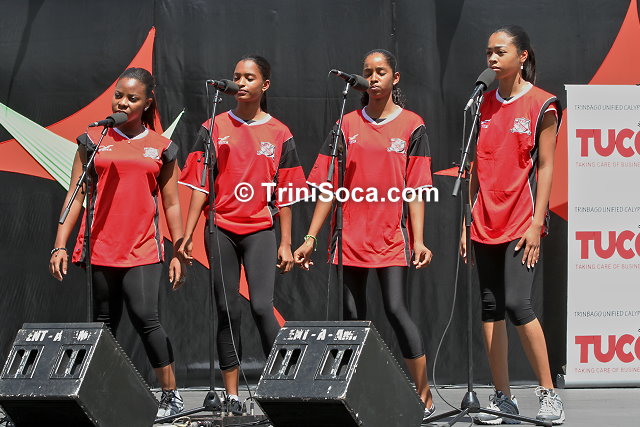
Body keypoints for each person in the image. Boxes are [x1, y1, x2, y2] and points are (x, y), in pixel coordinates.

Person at [293, 49, 436, 420]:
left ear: (395, 77)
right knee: (351, 319)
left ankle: (424, 394)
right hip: (349, 238)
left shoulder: (413, 126)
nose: (373, 78)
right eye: (368, 72)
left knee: (396, 310)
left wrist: (419, 239)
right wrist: (310, 238)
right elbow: (328, 188)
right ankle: (352, 395)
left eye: (381, 71)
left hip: (391, 238)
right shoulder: (345, 125)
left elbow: (417, 189)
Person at [48, 67, 186, 417]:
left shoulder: (162, 147)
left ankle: (171, 395)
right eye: (119, 95)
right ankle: (101, 396)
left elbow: (171, 202)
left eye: (132, 98)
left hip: (142, 248)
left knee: (145, 316)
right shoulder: (92, 140)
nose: (122, 102)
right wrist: (60, 244)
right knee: (103, 324)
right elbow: (75, 195)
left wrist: (179, 249)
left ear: (147, 103)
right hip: (100, 247)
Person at [178, 55, 307, 415]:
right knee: (227, 308)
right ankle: (232, 396)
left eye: (249, 77)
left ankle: (283, 387)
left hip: (260, 230)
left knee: (262, 306)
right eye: (237, 76)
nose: (241, 83)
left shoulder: (280, 132)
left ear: (265, 85)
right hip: (220, 228)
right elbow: (200, 186)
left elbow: (286, 194)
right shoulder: (214, 126)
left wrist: (286, 242)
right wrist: (187, 233)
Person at [460, 25, 565, 425]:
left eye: (500, 51)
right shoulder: (480, 105)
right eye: (488, 51)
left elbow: (547, 166)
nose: (491, 58)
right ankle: (502, 398)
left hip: (522, 221)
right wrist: (466, 222)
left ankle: (548, 394)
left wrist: (537, 224)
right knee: (490, 308)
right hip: (483, 221)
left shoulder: (542, 104)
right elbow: (474, 167)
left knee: (518, 304)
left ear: (522, 56)